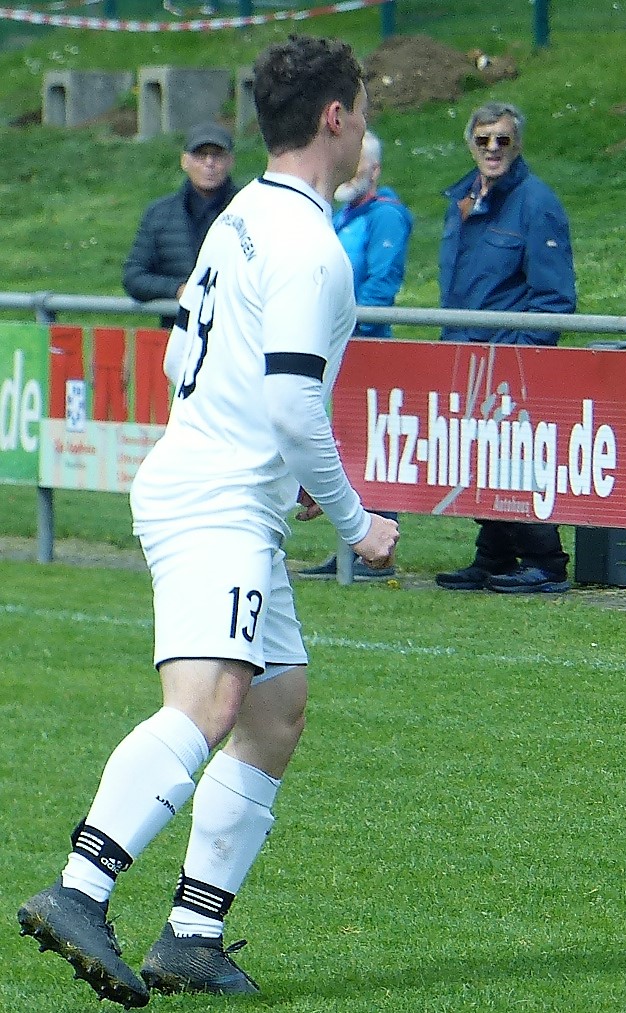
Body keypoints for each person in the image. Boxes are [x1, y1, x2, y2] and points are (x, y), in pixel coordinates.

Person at [18, 36, 397, 1004]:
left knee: (276, 707)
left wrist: (283, 469)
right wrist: (356, 522)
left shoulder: (242, 216)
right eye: (362, 106)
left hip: (222, 485)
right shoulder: (309, 245)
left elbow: (202, 362)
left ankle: (191, 933)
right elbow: (292, 405)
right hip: (218, 499)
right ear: (335, 119)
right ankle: (80, 888)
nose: (366, 123)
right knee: (210, 702)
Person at [434, 101, 577, 594]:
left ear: (518, 145)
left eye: (503, 140)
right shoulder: (463, 199)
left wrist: (519, 354)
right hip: (467, 353)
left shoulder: (537, 203)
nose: (492, 149)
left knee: (516, 456)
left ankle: (545, 560)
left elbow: (555, 298)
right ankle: (493, 554)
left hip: (508, 359)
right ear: (470, 144)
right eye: (483, 139)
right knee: (481, 457)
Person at [300, 129, 412, 580]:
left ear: (375, 170)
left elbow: (381, 284)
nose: (347, 172)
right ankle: (351, 547)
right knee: (347, 443)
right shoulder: (343, 213)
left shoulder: (386, 215)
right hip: (339, 347)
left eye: (358, 163)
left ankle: (375, 547)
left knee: (370, 446)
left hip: (367, 348)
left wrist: (342, 321)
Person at [122, 122, 240, 325]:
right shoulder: (158, 214)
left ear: (231, 161)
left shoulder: (250, 210)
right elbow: (133, 277)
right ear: (184, 161)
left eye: (217, 156)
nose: (209, 163)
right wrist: (178, 290)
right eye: (200, 155)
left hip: (234, 331)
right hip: (177, 332)